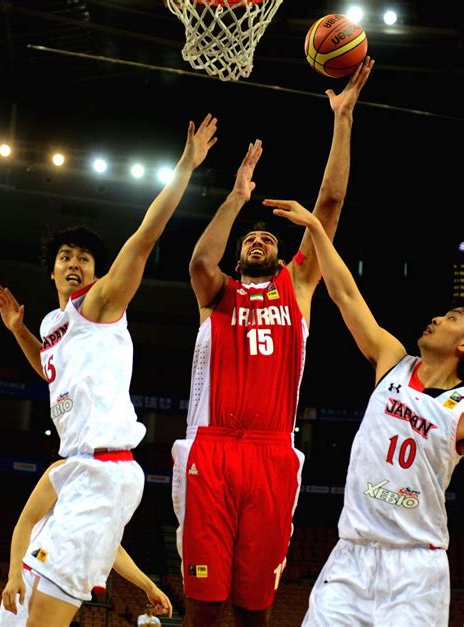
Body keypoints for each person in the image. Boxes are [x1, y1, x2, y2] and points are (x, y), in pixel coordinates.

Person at [0, 113, 218, 627]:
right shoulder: (53, 322)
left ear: (96, 272)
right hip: (80, 468)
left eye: (86, 260)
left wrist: (184, 167)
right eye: (66, 257)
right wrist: (18, 331)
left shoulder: (100, 304)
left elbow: (144, 235)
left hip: (104, 467)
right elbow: (50, 371)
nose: (75, 264)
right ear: (52, 269)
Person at [170, 58, 374, 627]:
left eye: (267, 237)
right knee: (204, 606)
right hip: (211, 449)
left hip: (271, 452)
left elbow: (327, 208)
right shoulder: (217, 293)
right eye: (251, 238)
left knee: (255, 608)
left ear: (282, 256)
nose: (259, 239)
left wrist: (343, 121)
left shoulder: (297, 286)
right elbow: (199, 260)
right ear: (240, 254)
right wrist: (237, 197)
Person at [261, 199, 464, 626]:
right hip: (351, 555)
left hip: (415, 568)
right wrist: (317, 228)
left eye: (450, 318)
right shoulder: (393, 359)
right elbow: (345, 293)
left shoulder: (461, 407)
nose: (436, 318)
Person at [0, 460, 173, 626]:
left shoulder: (109, 489)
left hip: (64, 584)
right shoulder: (64, 469)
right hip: (32, 575)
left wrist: (149, 587)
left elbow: (113, 550)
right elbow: (26, 522)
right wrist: (14, 576)